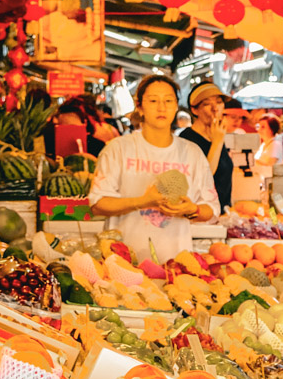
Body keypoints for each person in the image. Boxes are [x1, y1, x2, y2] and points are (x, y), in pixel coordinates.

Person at [89, 74, 219, 263]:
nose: (162, 107)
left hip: (176, 265)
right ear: (140, 107)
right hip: (121, 265)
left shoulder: (192, 153)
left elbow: (211, 209)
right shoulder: (118, 149)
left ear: (176, 107)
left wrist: (191, 209)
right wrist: (143, 201)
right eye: (153, 100)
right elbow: (97, 203)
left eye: (168, 100)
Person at [180, 82, 233, 210]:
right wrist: (217, 142)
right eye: (207, 104)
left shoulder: (216, 134)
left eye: (219, 102)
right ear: (194, 110)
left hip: (222, 215)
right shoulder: (186, 139)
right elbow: (204, 178)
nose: (215, 108)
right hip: (200, 217)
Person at [254, 113, 283, 182]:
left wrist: (252, 161)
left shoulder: (275, 145)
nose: (259, 130)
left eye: (263, 127)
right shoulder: (263, 145)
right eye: (259, 127)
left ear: (272, 129)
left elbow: (270, 167)